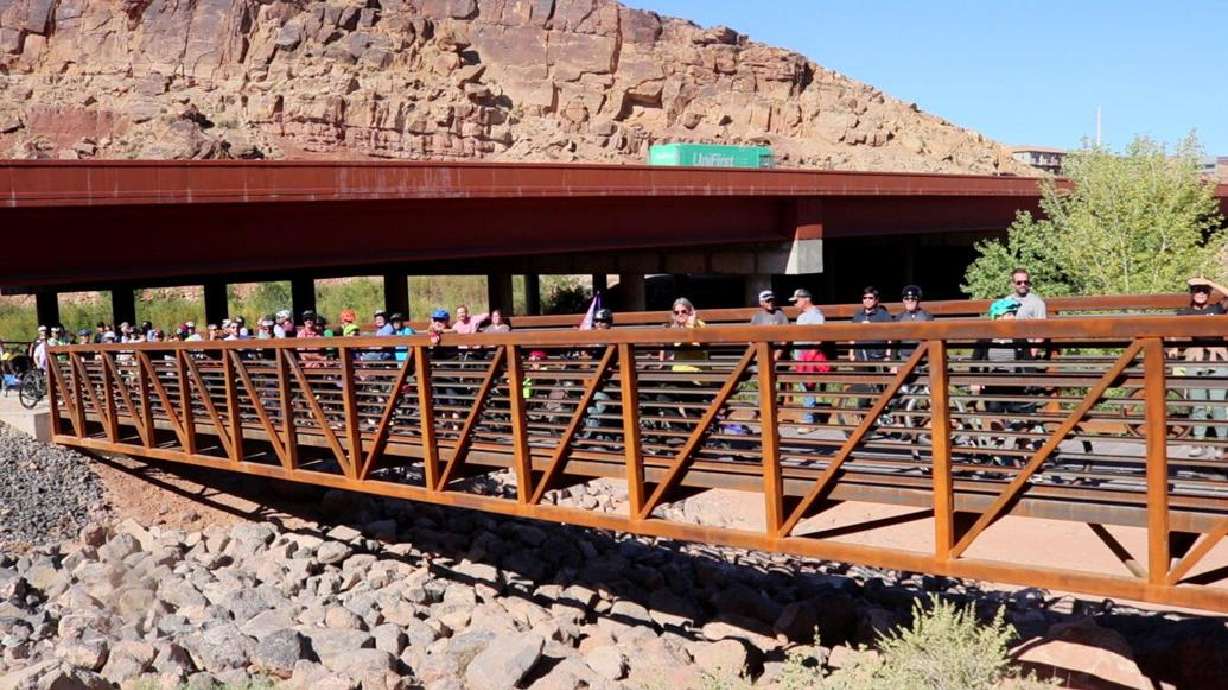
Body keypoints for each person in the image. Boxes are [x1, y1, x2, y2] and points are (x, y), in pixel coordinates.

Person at [1176, 279, 1228, 458]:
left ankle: (1221, 445)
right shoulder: (1184, 313)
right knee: (1197, 405)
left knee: (1218, 405)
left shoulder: (1217, 309)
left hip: (1218, 361)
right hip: (1195, 361)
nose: (1200, 294)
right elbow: (1175, 333)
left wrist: (1210, 282)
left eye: (1204, 291)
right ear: (1191, 293)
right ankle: (1199, 442)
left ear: (1209, 293)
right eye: (1197, 290)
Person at [789, 289, 828, 431]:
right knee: (805, 386)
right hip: (801, 356)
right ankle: (810, 417)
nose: (795, 304)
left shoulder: (816, 314)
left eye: (796, 301)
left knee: (808, 387)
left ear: (805, 299)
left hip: (810, 356)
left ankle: (809, 421)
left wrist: (811, 355)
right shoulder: (802, 315)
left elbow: (819, 337)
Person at [892, 285, 934, 359]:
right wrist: (893, 362)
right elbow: (894, 341)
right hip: (904, 357)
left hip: (923, 358)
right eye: (906, 298)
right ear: (903, 300)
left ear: (918, 300)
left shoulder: (927, 316)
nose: (910, 301)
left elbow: (931, 340)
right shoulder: (899, 317)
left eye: (913, 299)